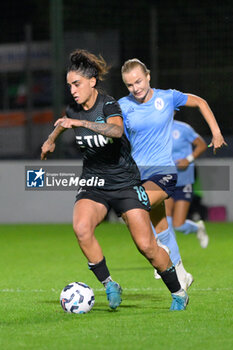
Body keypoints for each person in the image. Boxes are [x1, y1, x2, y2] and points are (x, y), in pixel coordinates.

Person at [41, 49, 188, 311]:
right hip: (94, 183)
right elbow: (64, 123)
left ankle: (178, 292)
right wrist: (50, 141)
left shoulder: (109, 104)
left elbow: (117, 130)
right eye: (70, 85)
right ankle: (109, 283)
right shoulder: (73, 109)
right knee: (82, 228)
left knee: (147, 246)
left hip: (123, 182)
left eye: (77, 84)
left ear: (92, 82)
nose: (73, 90)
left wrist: (81, 124)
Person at [119, 58, 227, 290]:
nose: (135, 88)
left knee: (137, 204)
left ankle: (162, 252)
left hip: (164, 172)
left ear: (148, 77)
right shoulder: (123, 105)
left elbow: (200, 102)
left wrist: (216, 133)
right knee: (161, 226)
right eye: (129, 85)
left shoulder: (166, 97)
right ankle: (181, 273)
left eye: (138, 81)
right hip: (138, 174)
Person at [165, 119, 209, 248]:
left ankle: (198, 228)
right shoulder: (155, 128)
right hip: (164, 179)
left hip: (184, 180)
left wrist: (188, 159)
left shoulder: (183, 128)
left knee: (179, 225)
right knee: (166, 221)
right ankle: (170, 258)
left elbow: (201, 145)